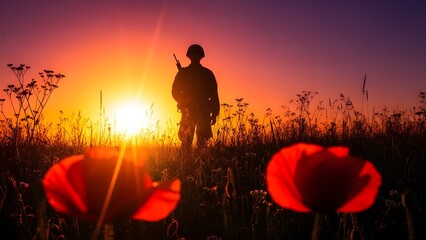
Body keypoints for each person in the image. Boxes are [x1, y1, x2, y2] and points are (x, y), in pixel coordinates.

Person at [172, 44, 220, 150]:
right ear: (189, 56)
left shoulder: (208, 74)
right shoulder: (183, 73)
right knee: (185, 141)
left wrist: (215, 112)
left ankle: (200, 165)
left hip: (204, 110)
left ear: (201, 56)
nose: (195, 56)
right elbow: (175, 91)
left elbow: (214, 94)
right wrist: (184, 101)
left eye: (197, 54)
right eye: (193, 54)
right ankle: (185, 165)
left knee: (202, 143)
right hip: (188, 110)